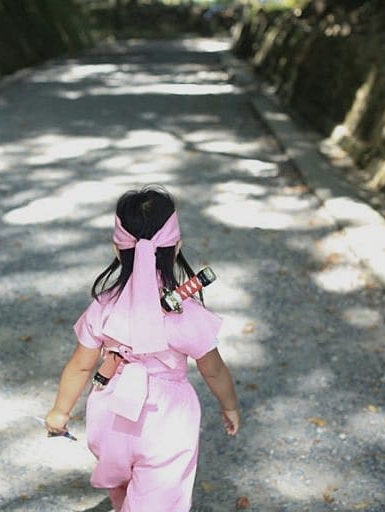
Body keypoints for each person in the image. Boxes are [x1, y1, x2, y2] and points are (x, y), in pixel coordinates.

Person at [44, 185, 240, 512]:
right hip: (166, 423)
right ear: (176, 247)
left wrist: (60, 412)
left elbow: (81, 365)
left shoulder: (103, 306)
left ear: (117, 249)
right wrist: (229, 405)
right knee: (155, 500)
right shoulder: (186, 312)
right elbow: (214, 369)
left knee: (123, 488)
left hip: (110, 417)